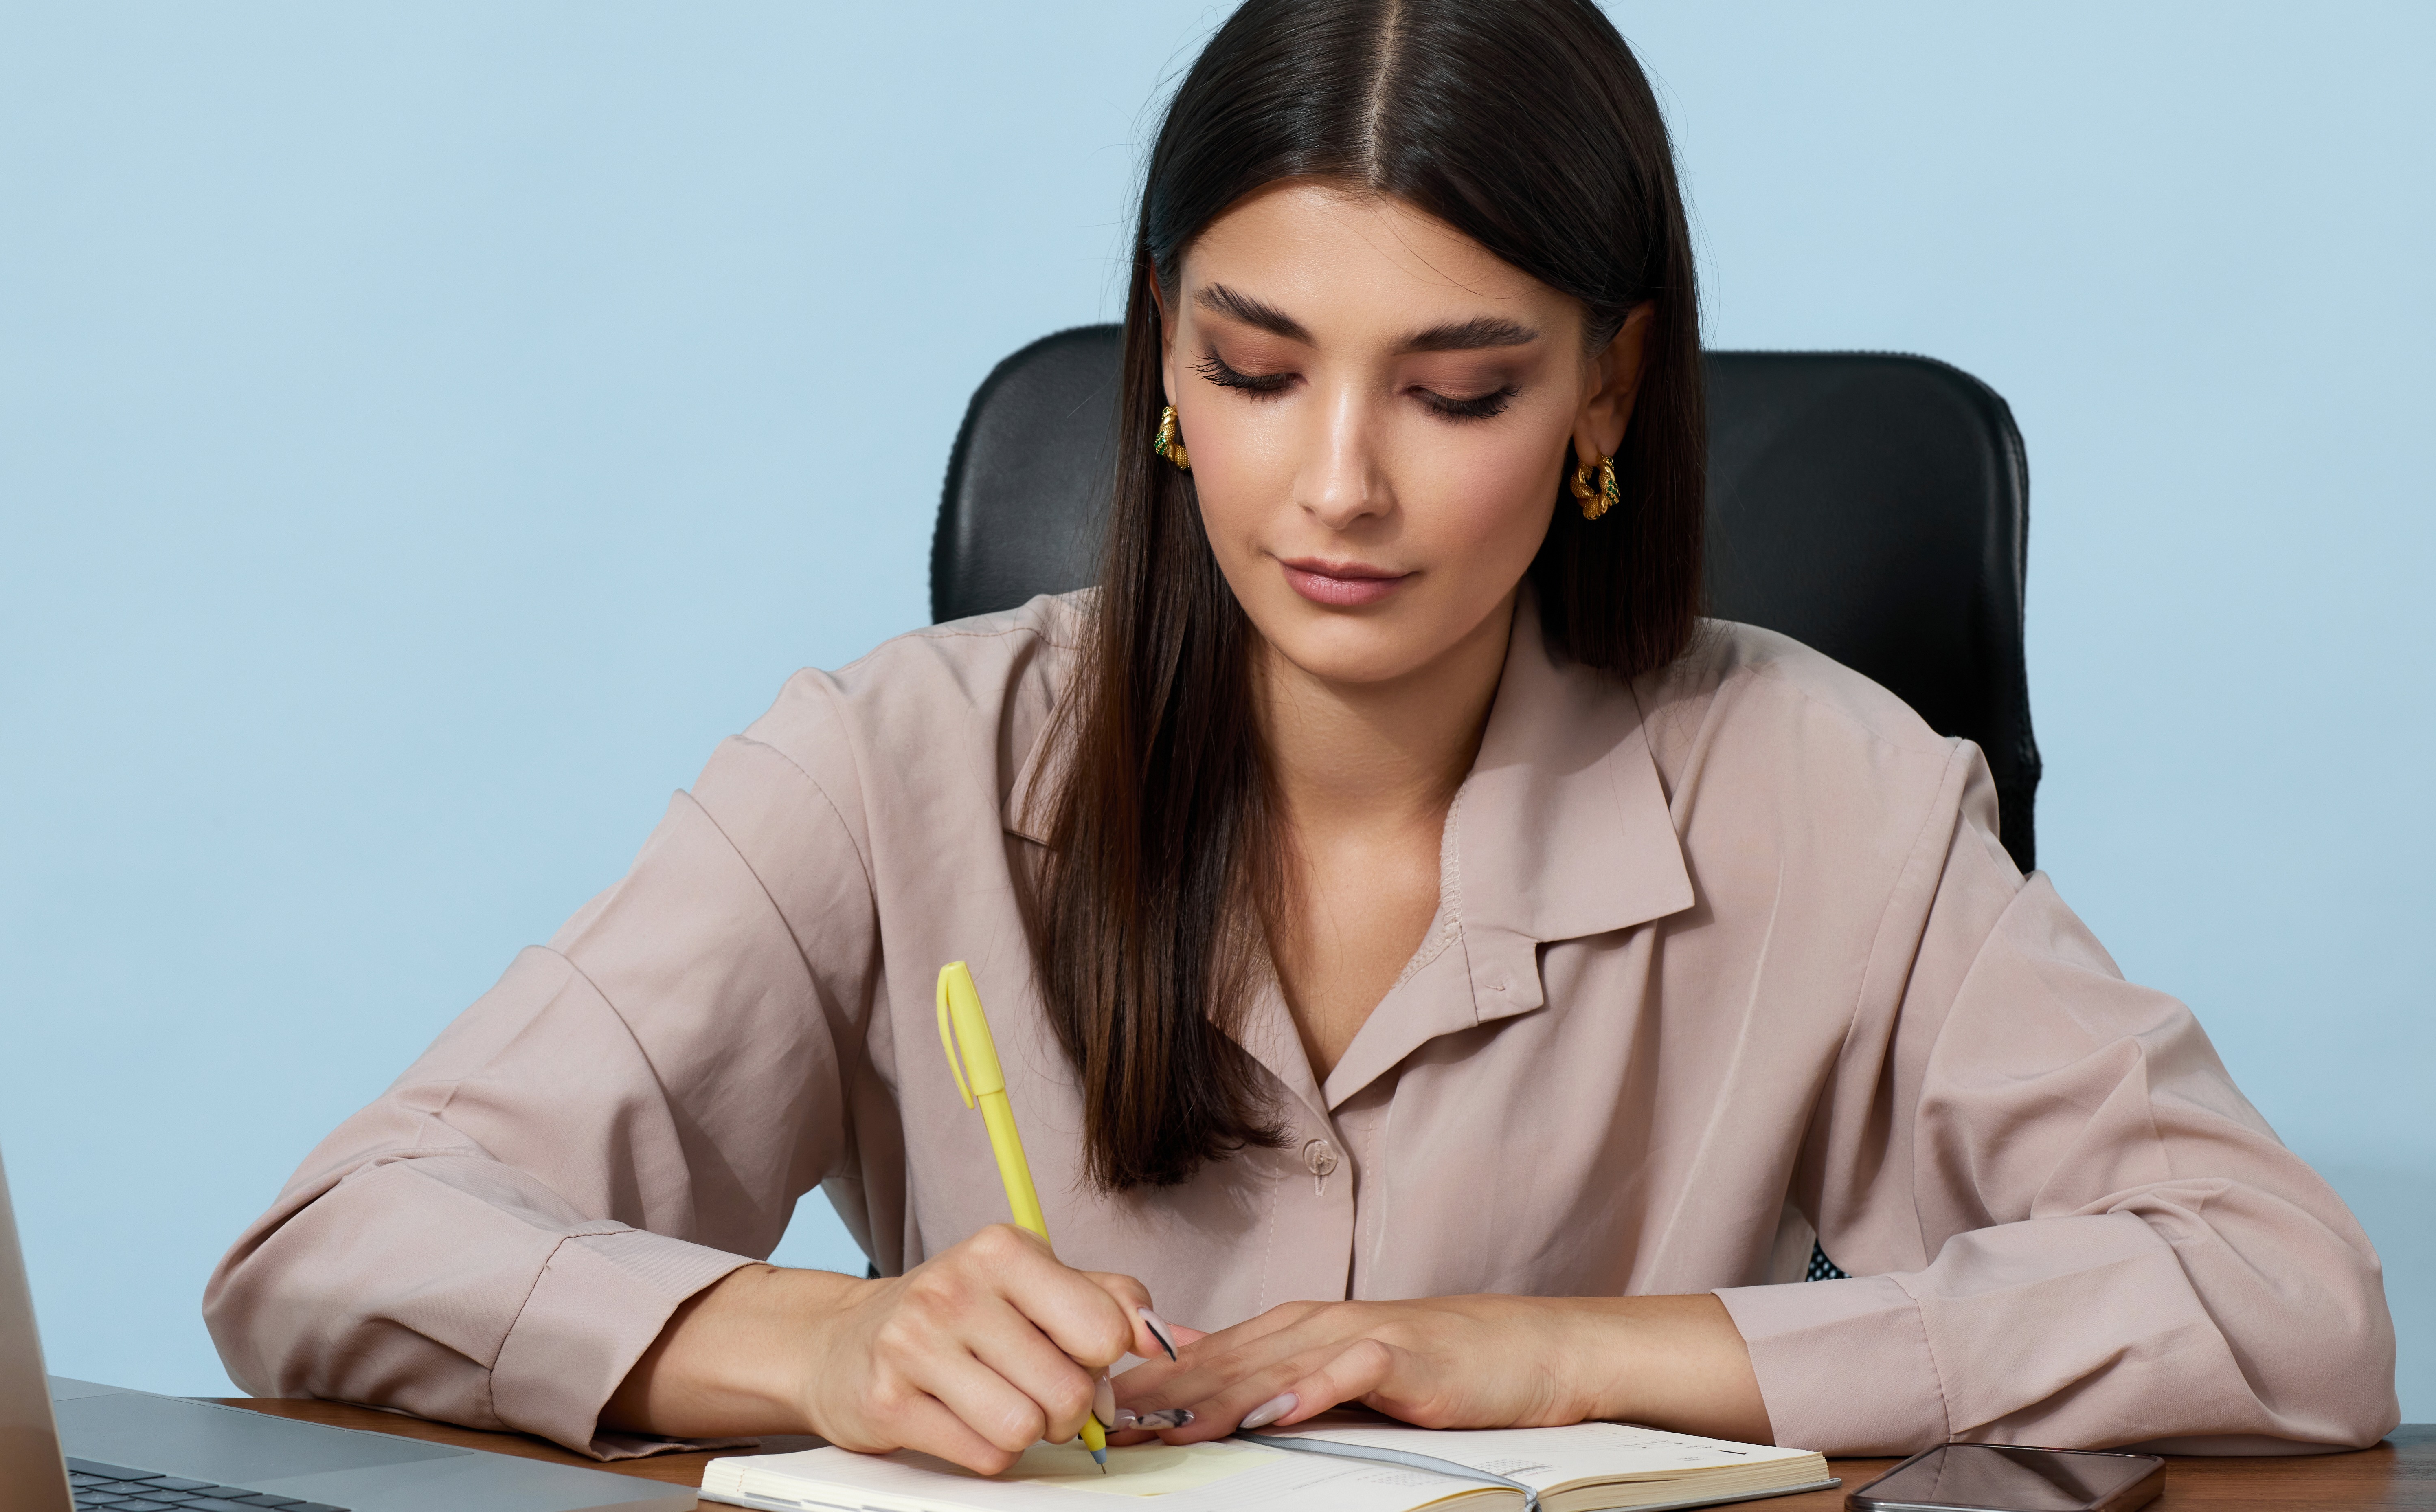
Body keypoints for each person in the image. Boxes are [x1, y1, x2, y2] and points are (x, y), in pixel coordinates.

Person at [204, 0, 2397, 1471]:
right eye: (1257, 368)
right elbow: (330, 1245)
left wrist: (1558, 1356)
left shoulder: (1837, 791)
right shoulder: (894, 763)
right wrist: (823, 1344)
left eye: (1457, 393)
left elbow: (2295, 1306)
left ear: (1608, 396)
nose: (1337, 482)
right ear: (1163, 360)